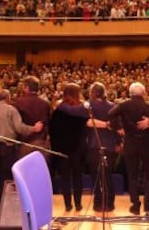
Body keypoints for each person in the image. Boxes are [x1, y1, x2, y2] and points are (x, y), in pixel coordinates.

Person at [0, 89, 43, 215]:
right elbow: (19, 128)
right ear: (7, 98)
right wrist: (34, 128)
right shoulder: (11, 110)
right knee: (7, 179)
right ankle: (7, 209)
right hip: (8, 148)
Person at [49, 83, 110, 212]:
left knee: (65, 176)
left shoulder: (59, 108)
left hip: (62, 147)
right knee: (77, 176)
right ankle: (78, 204)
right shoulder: (81, 107)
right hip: (78, 147)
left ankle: (67, 205)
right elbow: (87, 125)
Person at [108, 82, 149, 216]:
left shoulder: (123, 105)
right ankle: (148, 206)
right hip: (146, 143)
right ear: (143, 93)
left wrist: (118, 128)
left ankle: (135, 205)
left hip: (130, 142)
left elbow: (110, 114)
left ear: (130, 93)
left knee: (132, 175)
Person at [85, 82, 121, 212]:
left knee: (96, 176)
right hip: (110, 145)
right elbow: (116, 126)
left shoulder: (89, 105)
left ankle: (98, 203)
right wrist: (118, 142)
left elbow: (88, 122)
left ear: (92, 92)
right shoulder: (113, 106)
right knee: (107, 175)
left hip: (95, 144)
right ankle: (110, 204)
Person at [12, 76, 51, 159]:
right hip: (42, 143)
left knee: (25, 171)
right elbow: (49, 123)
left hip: (25, 143)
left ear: (27, 88)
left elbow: (16, 125)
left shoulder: (18, 103)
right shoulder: (46, 103)